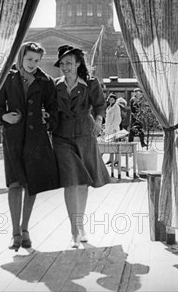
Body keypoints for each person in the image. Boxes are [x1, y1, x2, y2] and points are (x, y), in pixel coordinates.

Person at [0, 42, 58, 251]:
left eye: (36, 61)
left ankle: (25, 229)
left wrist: (47, 119)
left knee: (31, 184)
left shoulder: (46, 82)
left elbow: (54, 110)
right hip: (14, 137)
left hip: (36, 139)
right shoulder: (8, 79)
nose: (32, 64)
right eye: (29, 59)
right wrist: (3, 117)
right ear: (21, 57)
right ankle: (15, 234)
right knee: (14, 184)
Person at [52, 45, 111, 248]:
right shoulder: (55, 85)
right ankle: (74, 231)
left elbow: (100, 105)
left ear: (78, 63)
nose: (65, 67)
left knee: (83, 182)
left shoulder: (91, 83)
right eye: (62, 63)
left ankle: (80, 223)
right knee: (71, 182)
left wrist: (98, 120)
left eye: (69, 63)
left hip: (85, 136)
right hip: (62, 138)